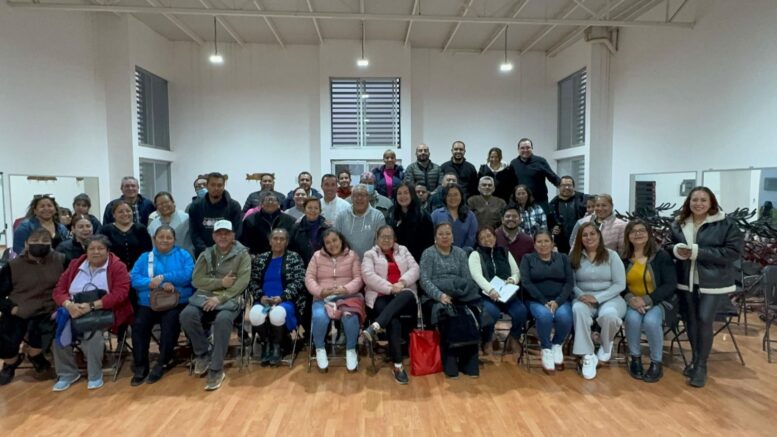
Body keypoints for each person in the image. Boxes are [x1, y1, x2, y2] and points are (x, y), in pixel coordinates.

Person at [668, 186, 743, 388]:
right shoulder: (678, 223)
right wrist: (676, 249)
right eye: (695, 200)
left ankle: (701, 365)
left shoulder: (726, 224)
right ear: (688, 202)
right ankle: (695, 359)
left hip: (713, 282)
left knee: (703, 319)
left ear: (711, 203)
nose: (698, 203)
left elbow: (732, 253)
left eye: (703, 200)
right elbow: (668, 245)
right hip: (686, 280)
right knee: (690, 321)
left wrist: (697, 252)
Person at [51, 235, 133, 391]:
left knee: (92, 333)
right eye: (92, 249)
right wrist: (69, 305)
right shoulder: (75, 265)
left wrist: (92, 306)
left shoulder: (117, 266)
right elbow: (58, 291)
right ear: (86, 251)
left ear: (108, 251)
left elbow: (120, 293)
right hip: (73, 309)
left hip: (104, 311)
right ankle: (68, 374)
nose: (96, 252)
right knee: (59, 334)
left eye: (100, 248)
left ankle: (95, 375)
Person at [180, 220, 251, 391]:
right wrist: (221, 282)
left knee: (223, 319)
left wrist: (220, 298)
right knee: (186, 315)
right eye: (219, 233)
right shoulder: (206, 254)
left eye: (227, 233)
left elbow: (241, 283)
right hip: (205, 297)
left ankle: (216, 368)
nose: (223, 237)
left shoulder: (243, 255)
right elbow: (196, 280)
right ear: (213, 236)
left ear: (233, 236)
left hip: (230, 299)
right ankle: (203, 353)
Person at [129, 225, 194, 385]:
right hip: (148, 302)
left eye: (169, 237)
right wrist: (151, 282)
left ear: (174, 240)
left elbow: (188, 275)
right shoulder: (145, 257)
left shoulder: (183, 255)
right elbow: (134, 278)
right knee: (139, 325)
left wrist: (163, 278)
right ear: (154, 239)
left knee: (170, 324)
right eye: (161, 237)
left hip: (176, 301)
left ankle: (162, 362)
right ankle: (141, 365)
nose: (165, 240)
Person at [0, 229, 64, 385]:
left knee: (44, 329)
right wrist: (11, 309)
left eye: (44, 241)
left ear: (51, 244)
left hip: (49, 309)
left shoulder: (61, 260)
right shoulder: (13, 266)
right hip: (19, 309)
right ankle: (10, 362)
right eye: (35, 240)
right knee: (6, 335)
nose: (39, 244)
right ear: (26, 244)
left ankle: (35, 355)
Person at [420, 223, 482, 379]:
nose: (445, 237)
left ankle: (469, 364)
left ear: (453, 237)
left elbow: (467, 279)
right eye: (441, 234)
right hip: (435, 295)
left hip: (459, 294)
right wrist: (440, 295)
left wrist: (458, 293)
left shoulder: (460, 253)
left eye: (448, 234)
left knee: (470, 313)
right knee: (447, 314)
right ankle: (451, 363)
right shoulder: (428, 253)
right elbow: (424, 280)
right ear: (435, 238)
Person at [361, 226, 419, 384]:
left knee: (407, 294)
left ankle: (375, 327)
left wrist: (402, 283)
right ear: (377, 238)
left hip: (404, 295)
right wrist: (390, 288)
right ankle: (398, 366)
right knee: (393, 319)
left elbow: (415, 269)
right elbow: (368, 276)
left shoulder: (403, 251)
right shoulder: (370, 254)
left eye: (389, 237)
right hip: (380, 296)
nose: (386, 240)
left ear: (395, 239)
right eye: (383, 236)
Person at [622, 219, 677, 383]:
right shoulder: (623, 258)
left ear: (649, 234)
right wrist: (631, 299)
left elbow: (670, 284)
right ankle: (635, 359)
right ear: (628, 236)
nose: (637, 234)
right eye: (633, 231)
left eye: (642, 230)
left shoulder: (661, 256)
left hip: (658, 301)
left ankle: (656, 362)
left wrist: (647, 300)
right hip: (632, 302)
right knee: (632, 319)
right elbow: (619, 285)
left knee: (651, 321)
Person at [570, 223, 626, 380]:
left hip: (610, 298)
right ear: (580, 238)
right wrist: (582, 296)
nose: (589, 237)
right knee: (578, 310)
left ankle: (606, 345)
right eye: (585, 235)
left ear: (599, 236)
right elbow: (571, 283)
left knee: (610, 315)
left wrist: (598, 298)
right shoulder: (574, 257)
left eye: (592, 234)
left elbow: (620, 284)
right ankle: (587, 355)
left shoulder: (612, 255)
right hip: (583, 299)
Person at [305, 229, 364, 373]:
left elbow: (359, 278)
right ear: (324, 245)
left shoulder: (352, 255)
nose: (332, 245)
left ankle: (351, 349)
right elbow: (309, 278)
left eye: (335, 240)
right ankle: (320, 349)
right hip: (323, 298)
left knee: (350, 317)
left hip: (348, 297)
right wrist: (320, 291)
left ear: (341, 240)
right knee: (319, 317)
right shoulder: (316, 256)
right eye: (328, 242)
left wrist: (345, 289)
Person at [247, 229, 306, 367]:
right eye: (275, 238)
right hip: (264, 301)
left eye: (282, 239)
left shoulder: (294, 258)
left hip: (286, 301)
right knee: (255, 315)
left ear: (287, 242)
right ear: (270, 241)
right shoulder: (261, 259)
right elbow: (253, 281)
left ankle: (277, 345)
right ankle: (266, 343)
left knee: (276, 314)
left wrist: (282, 297)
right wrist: (260, 296)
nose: (278, 241)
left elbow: (299, 281)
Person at [520, 230, 574, 374]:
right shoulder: (527, 258)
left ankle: (557, 344)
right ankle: (546, 348)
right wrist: (544, 301)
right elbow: (526, 282)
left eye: (546, 241)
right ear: (534, 244)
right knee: (545, 316)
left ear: (552, 243)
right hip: (536, 300)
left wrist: (557, 302)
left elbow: (569, 282)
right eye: (539, 241)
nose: (543, 244)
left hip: (560, 300)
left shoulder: (563, 258)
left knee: (565, 317)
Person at [468, 227, 526, 356]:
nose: (487, 239)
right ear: (478, 241)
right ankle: (487, 339)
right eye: (482, 238)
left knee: (521, 312)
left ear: (495, 237)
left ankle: (514, 337)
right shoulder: (475, 254)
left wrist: (512, 280)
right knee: (491, 313)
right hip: (487, 295)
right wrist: (491, 290)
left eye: (489, 236)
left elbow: (517, 273)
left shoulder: (504, 252)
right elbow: (477, 276)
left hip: (506, 294)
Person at [188, 172, 243, 258]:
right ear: (207, 186)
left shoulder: (234, 206)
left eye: (219, 185)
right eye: (213, 185)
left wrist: (224, 250)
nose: (216, 188)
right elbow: (194, 233)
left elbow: (237, 232)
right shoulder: (195, 206)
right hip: (203, 255)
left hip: (228, 254)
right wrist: (206, 251)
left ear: (224, 186)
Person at [505, 138, 561, 213]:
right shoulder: (514, 163)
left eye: (528, 147)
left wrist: (564, 187)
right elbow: (509, 183)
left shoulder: (540, 161)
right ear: (518, 149)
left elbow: (553, 177)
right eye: (522, 148)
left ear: (532, 148)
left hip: (540, 201)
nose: (525, 150)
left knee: (543, 220)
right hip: (520, 203)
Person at [385, 182, 434, 262]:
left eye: (406, 193)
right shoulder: (391, 213)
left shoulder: (423, 215)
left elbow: (429, 243)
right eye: (399, 193)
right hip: (396, 259)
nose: (402, 196)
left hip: (418, 259)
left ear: (412, 195)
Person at [98, 201, 153, 271]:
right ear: (114, 215)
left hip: (139, 270)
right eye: (120, 212)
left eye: (128, 211)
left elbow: (147, 251)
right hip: (114, 270)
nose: (125, 214)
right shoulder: (106, 230)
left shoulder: (141, 229)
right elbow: (103, 252)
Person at [335, 184, 387, 259]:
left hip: (371, 261)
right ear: (351, 198)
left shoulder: (378, 216)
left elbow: (380, 245)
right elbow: (336, 241)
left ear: (368, 197)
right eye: (356, 195)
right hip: (346, 261)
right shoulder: (341, 216)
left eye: (362, 195)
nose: (359, 198)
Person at [431, 184, 478, 250]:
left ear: (461, 196)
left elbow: (471, 238)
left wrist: (460, 253)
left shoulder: (470, 216)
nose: (453, 198)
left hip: (464, 253)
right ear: (445, 197)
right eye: (449, 195)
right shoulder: (436, 214)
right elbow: (430, 236)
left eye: (456, 194)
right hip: (439, 252)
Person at [548, 176, 587, 254]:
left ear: (573, 187)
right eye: (563, 185)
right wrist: (552, 229)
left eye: (569, 185)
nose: (566, 187)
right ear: (559, 187)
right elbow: (549, 224)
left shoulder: (583, 199)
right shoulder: (553, 204)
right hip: (561, 245)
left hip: (581, 241)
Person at [289, 197, 331, 266]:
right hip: (300, 267)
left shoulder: (327, 228)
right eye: (309, 208)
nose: (313, 210)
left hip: (323, 266)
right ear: (304, 210)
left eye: (316, 208)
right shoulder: (296, 228)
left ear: (320, 211)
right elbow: (291, 250)